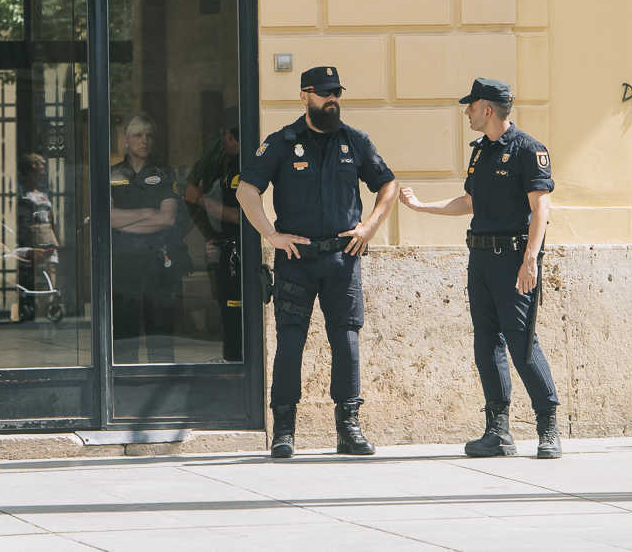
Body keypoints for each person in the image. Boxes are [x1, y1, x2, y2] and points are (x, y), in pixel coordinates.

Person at [236, 65, 398, 459]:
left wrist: (370, 228)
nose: (332, 100)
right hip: (296, 260)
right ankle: (284, 431)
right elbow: (246, 191)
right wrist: (271, 235)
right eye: (324, 93)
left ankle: (349, 428)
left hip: (343, 260)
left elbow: (388, 184)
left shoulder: (355, 141)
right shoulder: (281, 142)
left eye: (336, 93)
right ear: (305, 95)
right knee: (290, 343)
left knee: (346, 342)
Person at [398, 77, 562, 459]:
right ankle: (498, 432)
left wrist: (530, 260)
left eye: (470, 106)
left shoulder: (528, 149)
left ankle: (548, 426)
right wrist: (423, 207)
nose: (466, 112)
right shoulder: (480, 152)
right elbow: (469, 202)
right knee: (486, 342)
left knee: (522, 342)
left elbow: (541, 209)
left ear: (487, 109)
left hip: (514, 260)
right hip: (482, 259)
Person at [110, 113, 182, 363]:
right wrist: (145, 213)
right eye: (138, 135)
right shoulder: (111, 175)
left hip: (157, 262)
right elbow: (106, 219)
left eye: (149, 135)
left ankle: (161, 383)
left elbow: (167, 219)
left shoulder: (165, 174)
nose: (144, 141)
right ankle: (125, 386)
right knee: (124, 331)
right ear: (126, 140)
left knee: (160, 330)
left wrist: (124, 221)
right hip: (122, 263)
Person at [184, 122, 243, 361]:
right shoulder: (223, 165)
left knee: (237, 309)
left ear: (230, 136)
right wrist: (213, 236)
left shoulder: (248, 165)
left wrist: (201, 201)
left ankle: (237, 360)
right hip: (225, 246)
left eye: (226, 137)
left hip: (242, 248)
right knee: (227, 307)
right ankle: (231, 358)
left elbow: (242, 216)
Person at [16, 153, 61, 324]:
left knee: (51, 268)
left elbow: (51, 216)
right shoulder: (23, 194)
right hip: (33, 237)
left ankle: (50, 303)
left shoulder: (44, 193)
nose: (42, 174)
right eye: (39, 170)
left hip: (47, 235)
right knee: (34, 270)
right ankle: (32, 304)